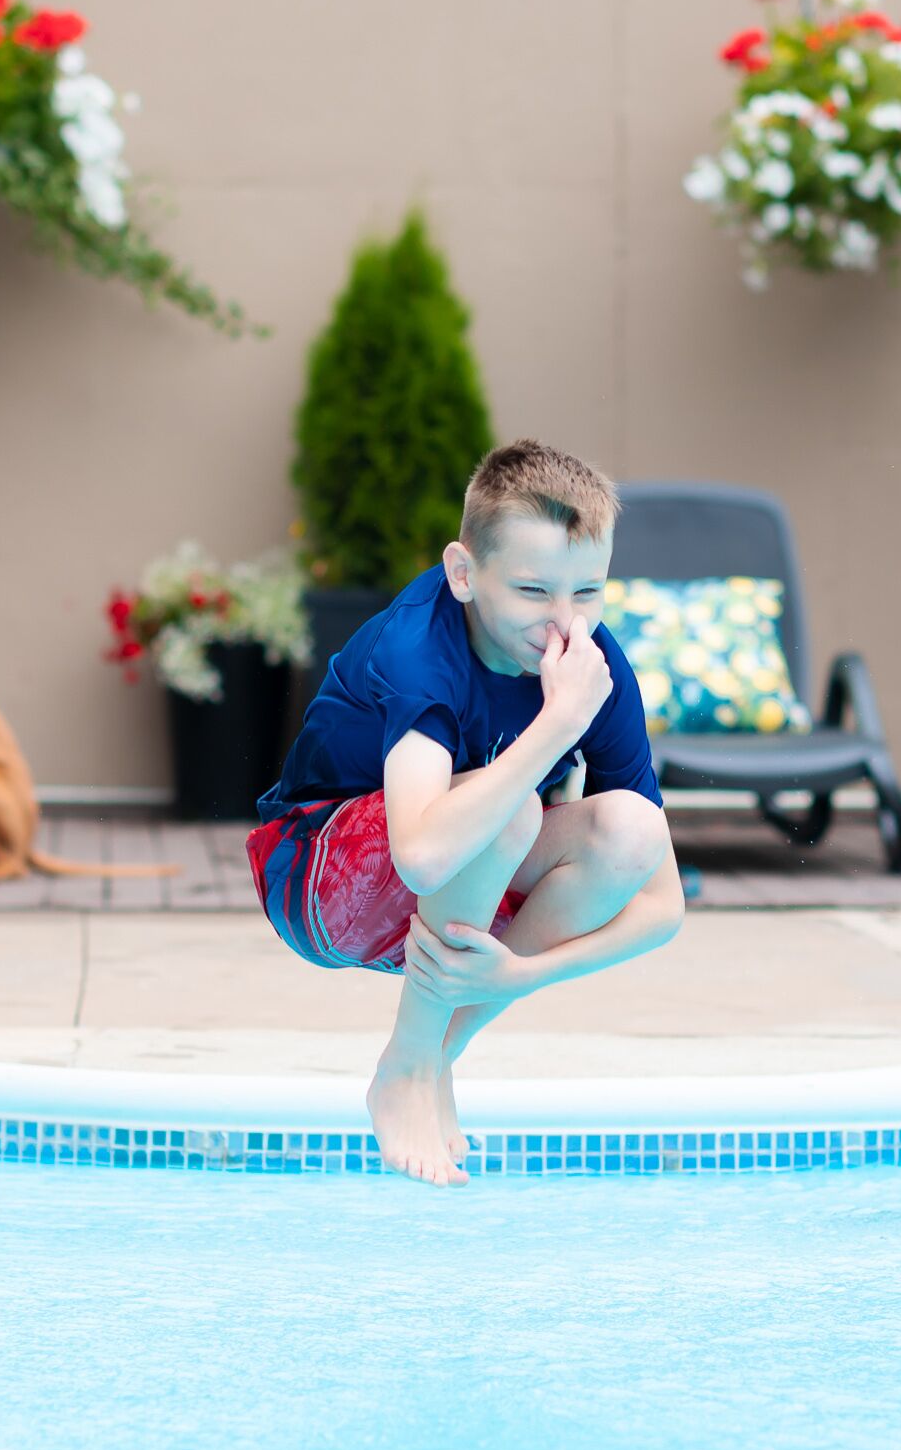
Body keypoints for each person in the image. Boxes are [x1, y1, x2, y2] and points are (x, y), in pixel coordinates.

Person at [246, 439, 685, 1185]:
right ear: (463, 573)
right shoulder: (422, 648)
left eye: (588, 593)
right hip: (319, 886)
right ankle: (410, 1061)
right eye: (533, 591)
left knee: (628, 828)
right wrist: (555, 726)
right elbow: (420, 851)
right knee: (505, 810)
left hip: (449, 902)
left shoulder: (595, 666)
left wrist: (522, 974)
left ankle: (431, 1058)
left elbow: (663, 904)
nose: (563, 624)